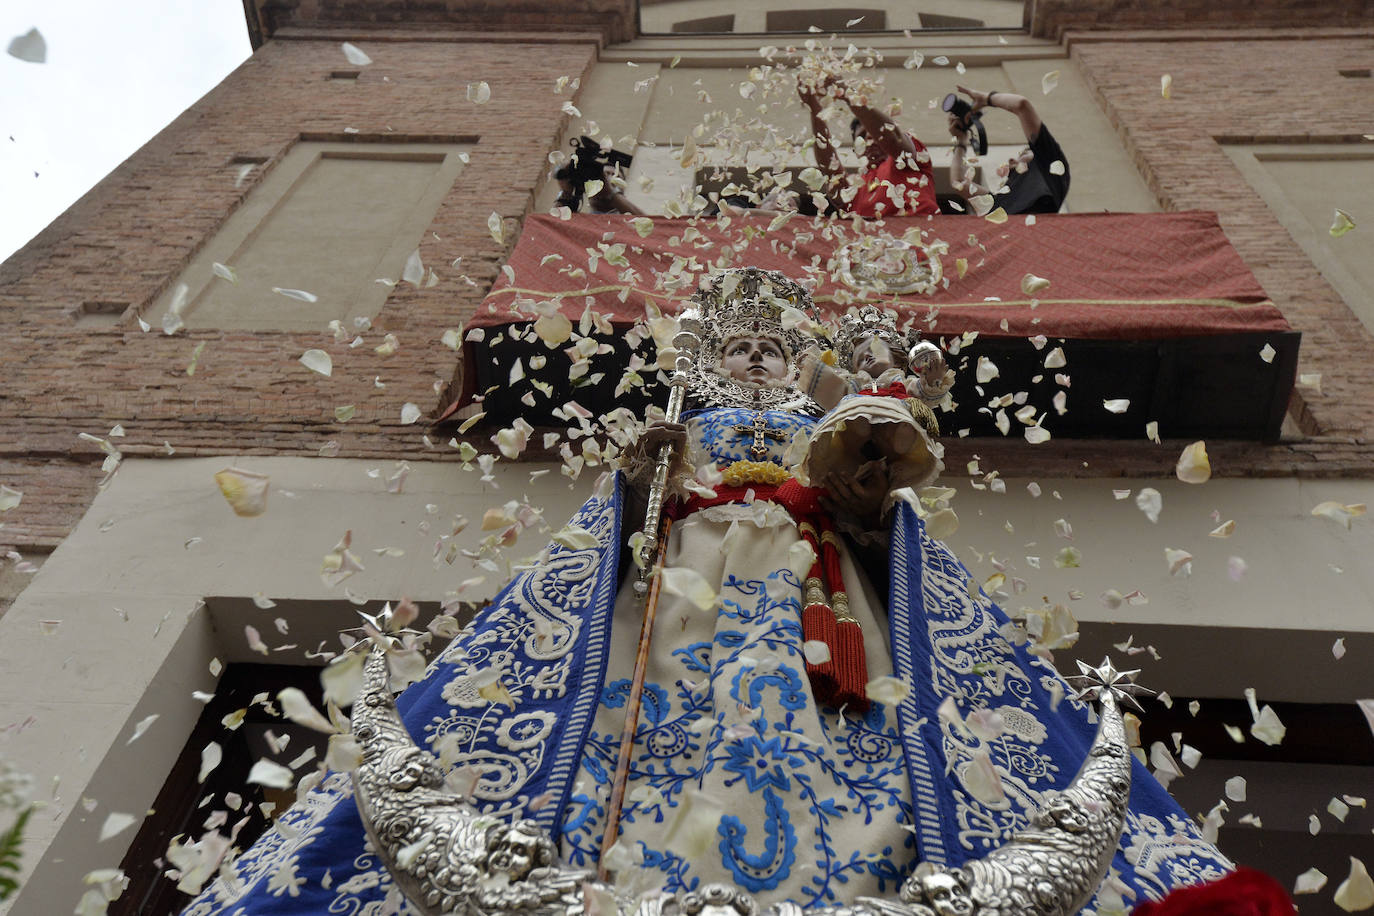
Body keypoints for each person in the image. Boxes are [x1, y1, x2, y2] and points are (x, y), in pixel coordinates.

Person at [182, 269, 1229, 915]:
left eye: (775, 346)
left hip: (814, 591)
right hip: (682, 584)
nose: (761, 355)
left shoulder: (816, 423)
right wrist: (643, 474)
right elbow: (623, 535)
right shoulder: (695, 428)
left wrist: (862, 486)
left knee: (861, 719)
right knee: (646, 704)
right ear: (713, 361)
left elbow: (867, 513)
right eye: (742, 346)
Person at [799, 77, 938, 219]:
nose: (869, 139)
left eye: (873, 133)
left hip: (922, 236)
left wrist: (847, 94)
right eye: (862, 136)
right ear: (857, 151)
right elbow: (830, 170)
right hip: (879, 240)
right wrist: (814, 108)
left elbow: (892, 139)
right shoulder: (856, 187)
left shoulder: (910, 159)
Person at [946, 85, 1070, 215]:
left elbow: (1022, 105)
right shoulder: (998, 201)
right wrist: (961, 141)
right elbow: (958, 183)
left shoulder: (1051, 166)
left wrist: (986, 98)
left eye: (1024, 153)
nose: (1011, 159)